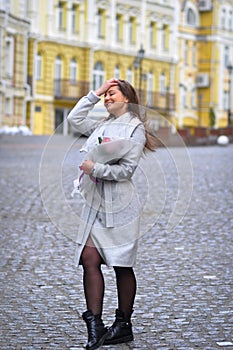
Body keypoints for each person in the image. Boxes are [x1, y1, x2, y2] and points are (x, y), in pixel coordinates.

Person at [67, 78, 156, 350]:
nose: (107, 98)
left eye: (111, 93)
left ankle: (123, 325)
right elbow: (73, 118)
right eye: (105, 95)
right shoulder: (101, 125)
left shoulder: (135, 130)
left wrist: (95, 169)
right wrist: (96, 92)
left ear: (126, 98)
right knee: (88, 258)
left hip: (121, 205)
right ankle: (95, 326)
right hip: (94, 202)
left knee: (121, 265)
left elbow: (125, 171)